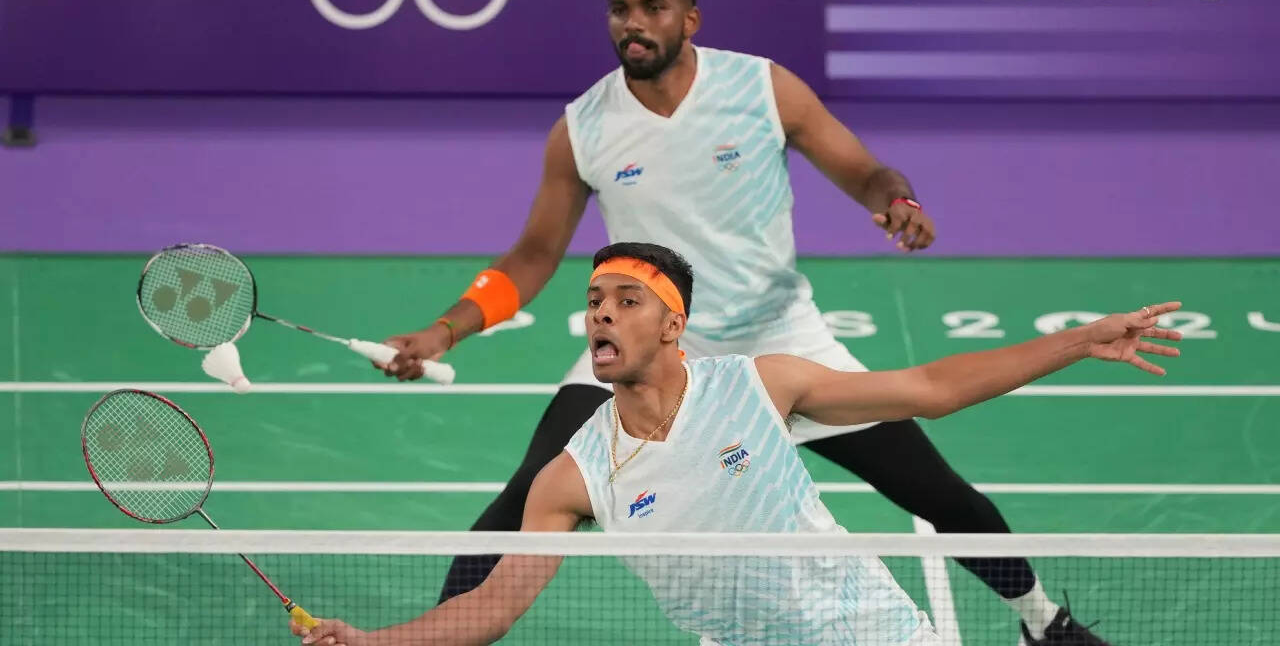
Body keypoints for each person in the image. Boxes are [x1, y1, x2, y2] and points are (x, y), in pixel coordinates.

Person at [379, 0, 1104, 644]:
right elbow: (535, 255)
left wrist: (894, 200)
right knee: (521, 499)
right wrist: (446, 330)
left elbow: (863, 171)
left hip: (779, 342)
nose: (634, 23)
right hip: (654, 346)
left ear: (689, 18)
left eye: (653, 7)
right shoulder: (583, 129)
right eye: (621, 9)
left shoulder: (762, 89)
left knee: (936, 492)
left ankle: (1045, 623)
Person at [305, 242, 1182, 646]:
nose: (602, 312)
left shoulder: (761, 385)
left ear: (673, 326)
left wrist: (1080, 340)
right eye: (594, 300)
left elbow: (931, 390)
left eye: (626, 300)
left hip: (873, 634)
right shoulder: (571, 476)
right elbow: (492, 608)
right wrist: (373, 643)